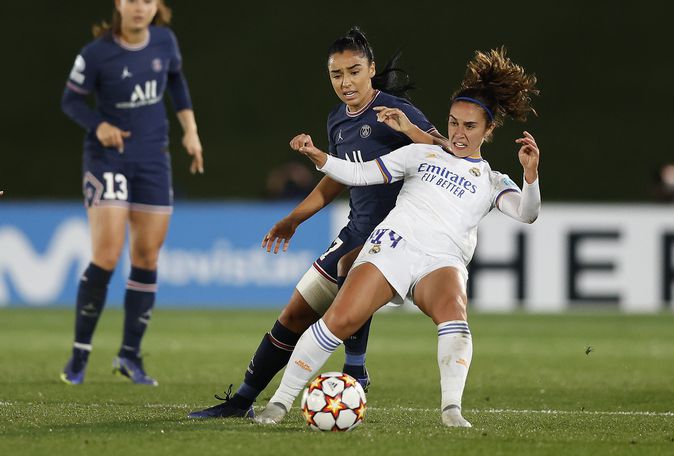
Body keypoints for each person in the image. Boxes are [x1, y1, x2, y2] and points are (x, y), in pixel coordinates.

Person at [254, 47, 541, 427]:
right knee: (338, 321)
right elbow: (358, 174)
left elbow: (527, 213)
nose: (458, 133)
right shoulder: (422, 154)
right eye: (453, 123)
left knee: (455, 312)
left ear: (489, 131)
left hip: (441, 259)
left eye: (469, 127)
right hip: (392, 247)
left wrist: (530, 175)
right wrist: (318, 156)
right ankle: (279, 403)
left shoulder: (492, 181)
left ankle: (452, 411)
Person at [188, 27, 442, 418]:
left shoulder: (395, 110)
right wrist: (294, 218)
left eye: (354, 71)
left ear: (371, 69)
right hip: (356, 230)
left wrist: (409, 130)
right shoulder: (338, 120)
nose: (346, 82)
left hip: (397, 235)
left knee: (349, 267)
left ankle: (356, 368)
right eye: (336, 75)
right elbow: (337, 179)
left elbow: (444, 152)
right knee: (292, 315)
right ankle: (240, 401)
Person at [60, 0, 204, 386]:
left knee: (146, 257)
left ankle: (129, 356)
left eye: (146, 0)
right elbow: (70, 100)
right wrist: (98, 124)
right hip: (109, 159)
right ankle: (79, 355)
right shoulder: (96, 54)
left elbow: (176, 80)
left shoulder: (165, 41)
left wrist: (189, 130)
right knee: (107, 255)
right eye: (131, 0)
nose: (139, 8)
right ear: (118, 5)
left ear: (156, 5)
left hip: (153, 161)